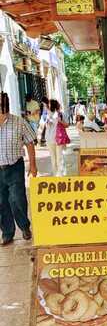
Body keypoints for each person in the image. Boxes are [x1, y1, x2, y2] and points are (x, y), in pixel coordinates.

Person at [0, 92, 37, 245]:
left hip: (15, 166)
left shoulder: (19, 122)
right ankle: (7, 233)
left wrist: (33, 165)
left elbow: (29, 142)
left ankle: (24, 227)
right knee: (1, 202)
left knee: (17, 199)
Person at [46, 99, 69, 177]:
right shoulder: (47, 115)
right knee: (53, 159)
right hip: (49, 139)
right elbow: (43, 127)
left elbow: (67, 125)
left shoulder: (61, 114)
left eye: (49, 104)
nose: (47, 105)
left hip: (58, 139)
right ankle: (56, 175)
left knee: (59, 158)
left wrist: (60, 121)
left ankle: (61, 175)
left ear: (52, 105)